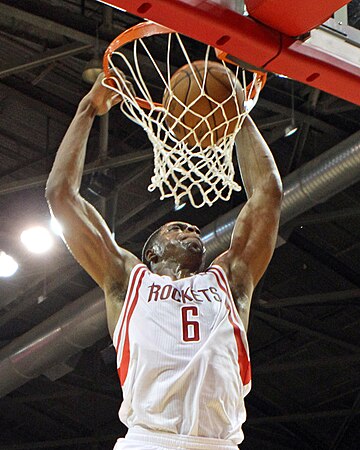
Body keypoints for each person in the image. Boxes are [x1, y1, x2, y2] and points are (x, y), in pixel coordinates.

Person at [46, 72, 282, 450]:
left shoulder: (231, 279)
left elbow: (267, 194)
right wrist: (87, 109)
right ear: (151, 252)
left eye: (190, 226)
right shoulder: (127, 281)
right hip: (149, 442)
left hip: (217, 444)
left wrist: (238, 116)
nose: (190, 227)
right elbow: (61, 196)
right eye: (176, 227)